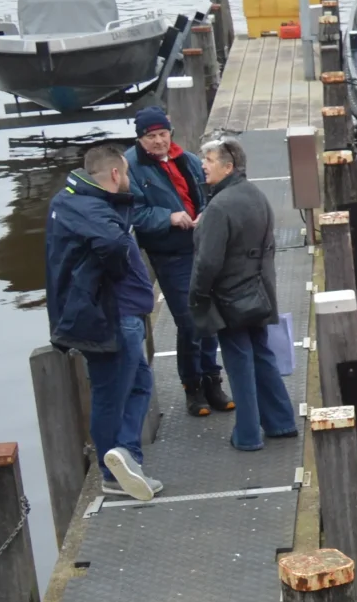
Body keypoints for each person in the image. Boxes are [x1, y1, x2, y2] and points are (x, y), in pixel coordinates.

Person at [43, 141, 162, 501]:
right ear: (114, 173)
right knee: (111, 394)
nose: (129, 179)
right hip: (111, 316)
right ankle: (114, 472)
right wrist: (120, 267)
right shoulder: (89, 206)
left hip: (111, 313)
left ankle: (126, 457)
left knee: (139, 384)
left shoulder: (75, 201)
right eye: (126, 173)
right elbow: (111, 244)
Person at [189, 134, 297, 452]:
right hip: (260, 294)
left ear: (228, 166)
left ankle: (248, 435)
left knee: (239, 365)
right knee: (262, 356)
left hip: (231, 299)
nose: (203, 166)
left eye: (209, 160)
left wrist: (198, 295)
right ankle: (281, 422)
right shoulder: (256, 195)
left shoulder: (219, 207)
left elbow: (208, 262)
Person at [125, 107, 230, 416]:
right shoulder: (131, 167)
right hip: (169, 252)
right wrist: (168, 217)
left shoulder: (187, 159)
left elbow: (209, 192)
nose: (159, 141)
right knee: (189, 319)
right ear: (140, 139)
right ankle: (192, 385)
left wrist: (206, 213)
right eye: (151, 136)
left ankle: (212, 378)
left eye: (163, 134)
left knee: (209, 314)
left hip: (201, 246)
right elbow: (133, 213)